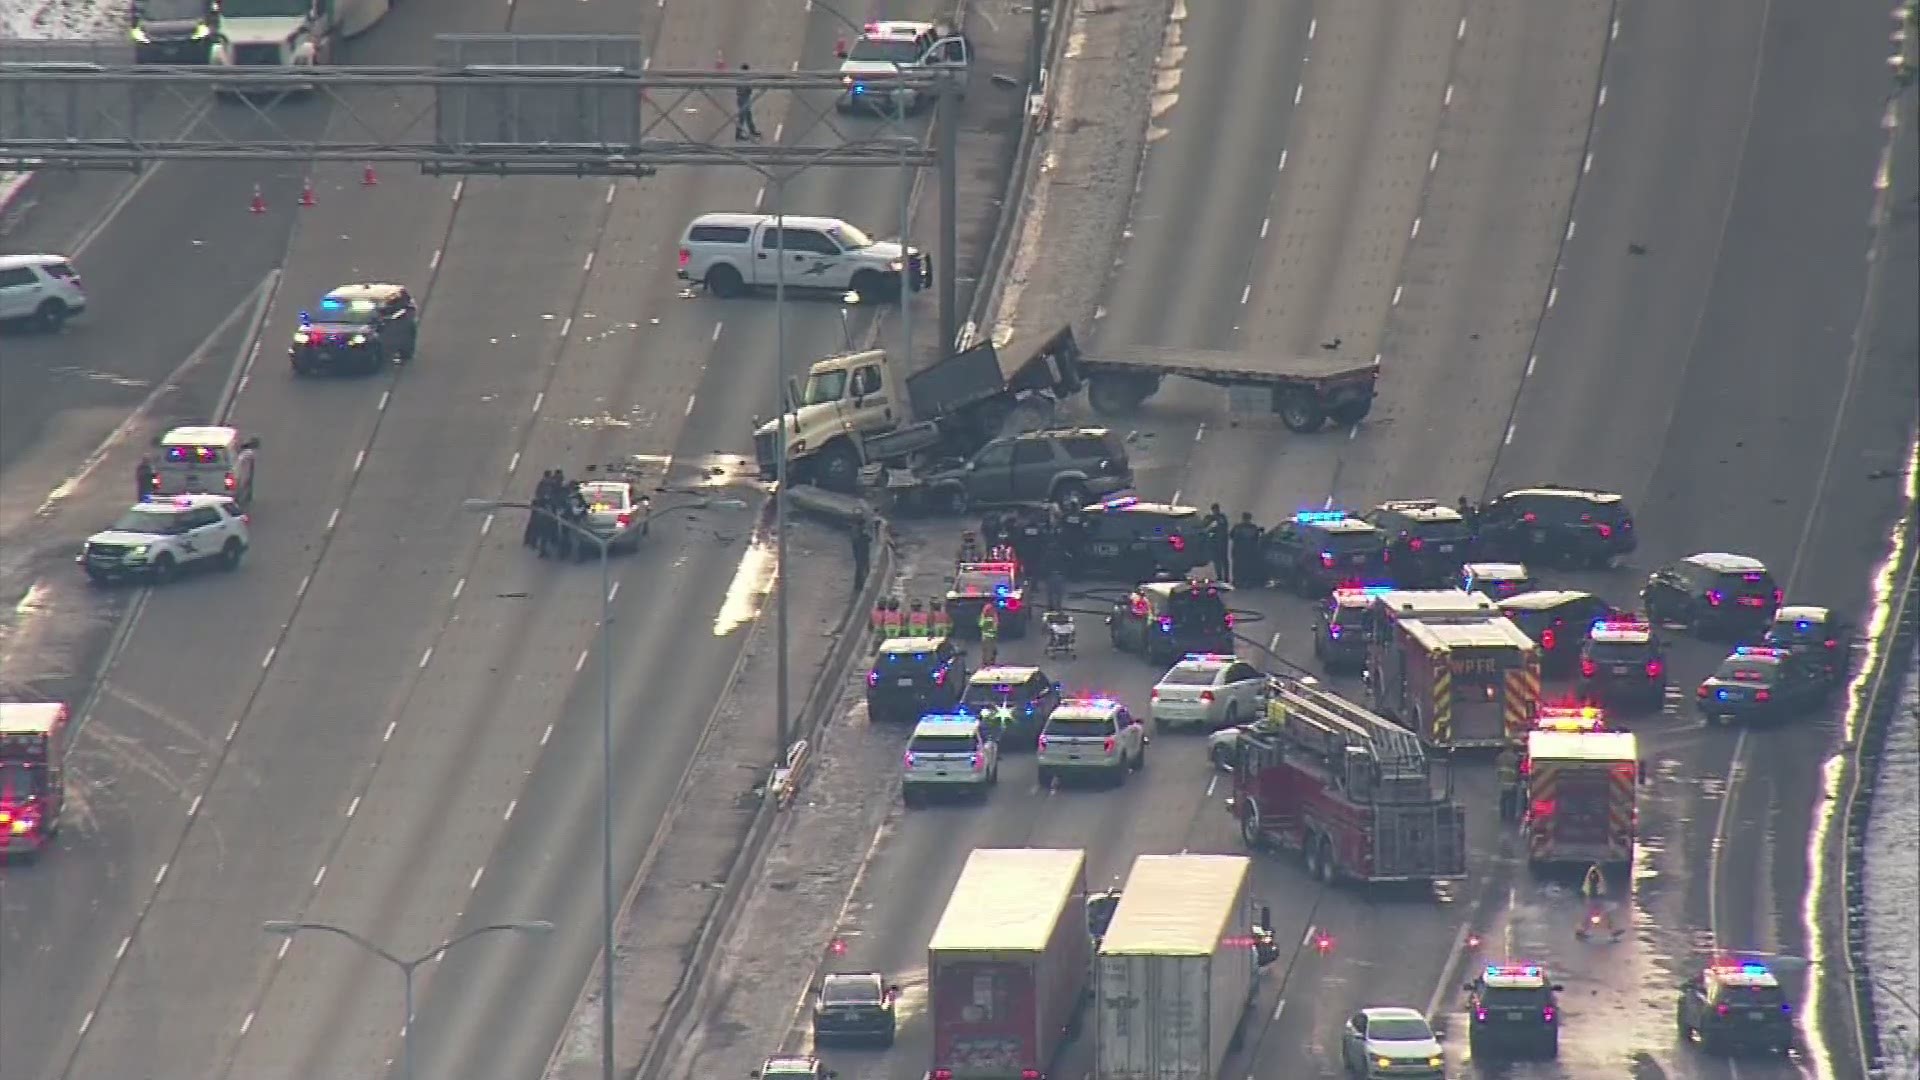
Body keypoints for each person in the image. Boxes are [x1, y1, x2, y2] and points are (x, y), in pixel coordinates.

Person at [1576, 862, 1621, 938]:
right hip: (1594, 898)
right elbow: (1597, 886)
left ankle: (1582, 930)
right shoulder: (1595, 872)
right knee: (1598, 914)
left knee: (1597, 915)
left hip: (1595, 898)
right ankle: (1612, 931)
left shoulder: (1593, 872)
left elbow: (1592, 886)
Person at [1228, 512, 1263, 587]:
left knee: (1237, 567)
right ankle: (1246, 582)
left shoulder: (1237, 527)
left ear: (1243, 518)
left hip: (1238, 551)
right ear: (1250, 518)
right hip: (1249, 552)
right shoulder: (1253, 527)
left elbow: (1231, 536)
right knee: (1248, 567)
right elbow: (1256, 539)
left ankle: (1237, 581)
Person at [735, 64, 762, 140]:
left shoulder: (741, 78)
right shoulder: (743, 79)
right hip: (743, 99)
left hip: (744, 99)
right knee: (742, 118)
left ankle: (752, 131)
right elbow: (746, 89)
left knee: (748, 116)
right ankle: (738, 135)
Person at [1204, 503, 1230, 579]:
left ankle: (1226, 577)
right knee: (1217, 561)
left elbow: (1222, 527)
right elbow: (1204, 527)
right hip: (1214, 542)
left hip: (1222, 542)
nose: (1215, 511)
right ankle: (1220, 576)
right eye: (1214, 510)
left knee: (1223, 560)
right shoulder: (1210, 518)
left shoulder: (1221, 517)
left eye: (1216, 509)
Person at [1495, 747, 1521, 820]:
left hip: (1503, 781)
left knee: (1503, 799)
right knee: (1512, 799)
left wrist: (1499, 778)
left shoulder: (1500, 757)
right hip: (1512, 781)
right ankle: (1511, 816)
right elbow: (1518, 768)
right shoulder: (1515, 757)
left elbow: (1498, 768)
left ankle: (1502, 815)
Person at [850, 517, 872, 592]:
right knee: (862, 568)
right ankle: (860, 585)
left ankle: (858, 585)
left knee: (859, 568)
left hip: (858, 551)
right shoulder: (861, 531)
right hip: (862, 552)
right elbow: (869, 539)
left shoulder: (854, 529)